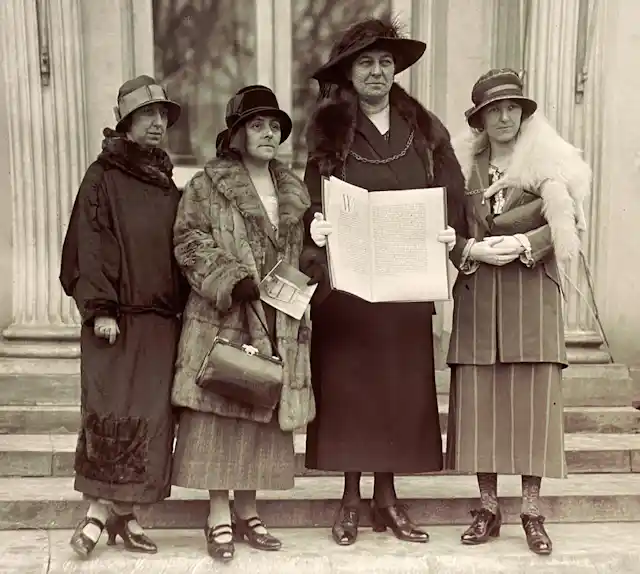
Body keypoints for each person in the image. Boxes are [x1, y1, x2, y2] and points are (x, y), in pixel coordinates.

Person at [301, 16, 466, 546]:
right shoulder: (328, 131)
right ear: (349, 74)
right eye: (366, 63)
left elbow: (452, 190)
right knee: (351, 389)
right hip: (347, 288)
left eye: (385, 63)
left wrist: (447, 230)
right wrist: (315, 226)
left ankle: (387, 499)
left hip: (405, 284)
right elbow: (307, 200)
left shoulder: (425, 130)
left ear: (396, 71)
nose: (377, 72)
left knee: (397, 388)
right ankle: (351, 498)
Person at [445, 68, 591, 555]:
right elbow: (443, 230)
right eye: (494, 110)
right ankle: (488, 507)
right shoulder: (460, 167)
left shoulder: (551, 160)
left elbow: (569, 224)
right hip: (480, 293)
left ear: (523, 114)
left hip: (532, 292)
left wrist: (524, 242)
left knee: (532, 404)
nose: (505, 117)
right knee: (481, 401)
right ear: (480, 118)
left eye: (513, 108)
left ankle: (531, 510)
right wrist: (470, 250)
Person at [170, 85, 315, 563]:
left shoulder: (294, 189)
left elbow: (298, 254)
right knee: (222, 413)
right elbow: (188, 240)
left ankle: (249, 511)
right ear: (236, 134)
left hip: (277, 319)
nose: (268, 133)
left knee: (262, 409)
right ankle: (218, 515)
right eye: (257, 125)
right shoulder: (206, 185)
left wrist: (311, 267)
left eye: (274, 126)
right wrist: (230, 279)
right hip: (223, 318)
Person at [59, 75, 188, 558]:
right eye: (146, 115)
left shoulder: (163, 180)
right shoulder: (103, 176)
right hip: (115, 322)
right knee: (110, 415)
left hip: (159, 324)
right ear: (126, 123)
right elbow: (89, 246)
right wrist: (100, 309)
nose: (157, 124)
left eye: (162, 116)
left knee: (149, 421)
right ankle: (96, 512)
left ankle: (125, 517)